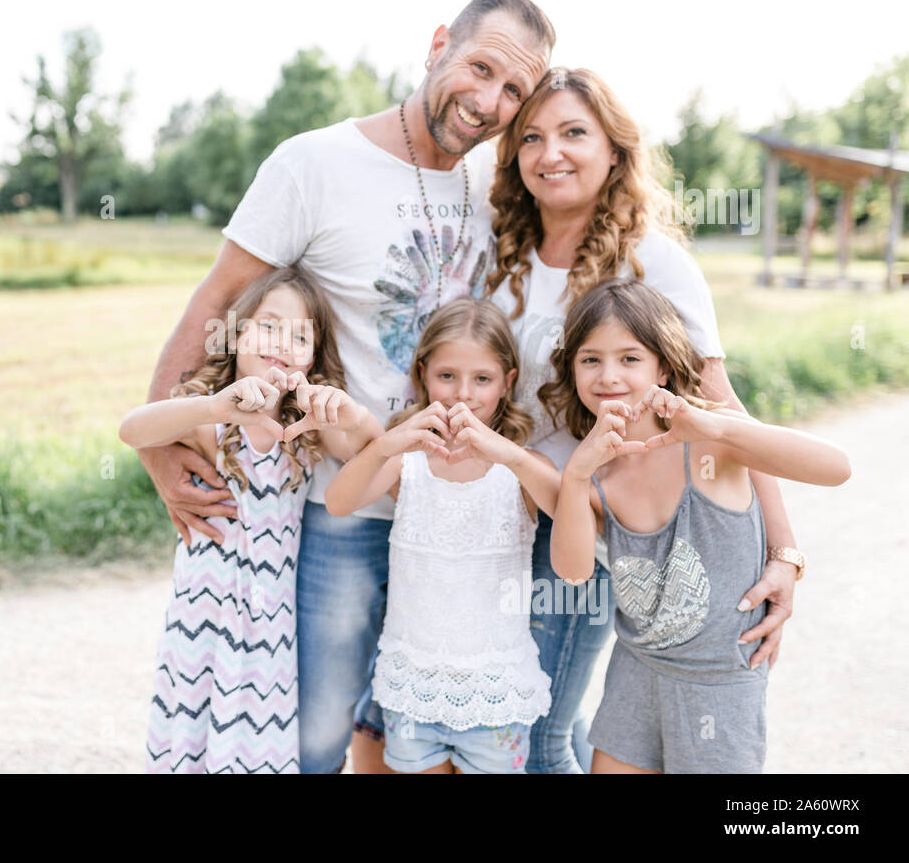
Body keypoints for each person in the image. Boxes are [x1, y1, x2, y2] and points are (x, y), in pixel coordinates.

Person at [137, 0, 556, 773]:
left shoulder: (492, 193)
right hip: (345, 502)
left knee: (406, 732)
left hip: (459, 517)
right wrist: (159, 442)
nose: (489, 101)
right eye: (481, 67)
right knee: (319, 731)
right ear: (438, 44)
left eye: (513, 91)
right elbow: (218, 301)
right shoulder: (314, 163)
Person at [481, 67, 806, 773]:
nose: (550, 153)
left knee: (537, 729)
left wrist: (784, 554)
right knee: (528, 721)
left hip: (598, 521)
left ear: (615, 151)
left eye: (574, 133)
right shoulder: (505, 256)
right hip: (506, 519)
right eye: (531, 137)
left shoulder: (652, 259)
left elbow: (725, 415)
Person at [544, 279, 850, 772]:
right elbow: (574, 571)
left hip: (720, 684)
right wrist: (576, 474)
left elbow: (836, 467)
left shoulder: (711, 445)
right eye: (590, 359)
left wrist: (720, 423)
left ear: (662, 367)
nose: (608, 376)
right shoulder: (597, 476)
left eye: (629, 358)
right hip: (636, 672)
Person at [120, 266, 381, 773]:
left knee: (257, 743)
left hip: (270, 624)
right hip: (206, 615)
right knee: (196, 732)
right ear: (237, 333)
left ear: (313, 355)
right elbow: (132, 430)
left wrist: (350, 414)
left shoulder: (304, 428)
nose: (282, 342)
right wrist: (211, 405)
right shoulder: (213, 420)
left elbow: (369, 453)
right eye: (268, 325)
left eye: (300, 335)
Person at [324, 298, 560, 773]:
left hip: (495, 693)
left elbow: (564, 505)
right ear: (422, 375)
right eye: (447, 376)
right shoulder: (405, 460)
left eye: (482, 379)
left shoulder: (521, 466)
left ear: (508, 382)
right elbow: (339, 501)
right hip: (414, 686)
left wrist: (509, 454)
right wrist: (387, 443)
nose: (462, 394)